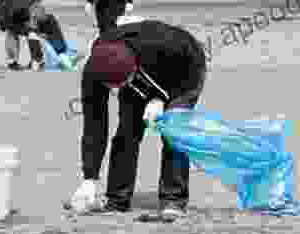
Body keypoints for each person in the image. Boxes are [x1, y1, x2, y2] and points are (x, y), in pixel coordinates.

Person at [70, 19, 207, 222]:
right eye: (115, 87)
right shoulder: (94, 72)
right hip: (140, 73)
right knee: (127, 131)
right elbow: (94, 124)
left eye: (124, 82)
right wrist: (89, 178)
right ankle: (117, 199)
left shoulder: (165, 44)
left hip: (184, 69)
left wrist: (161, 98)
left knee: (173, 131)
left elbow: (186, 73)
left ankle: (173, 200)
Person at [0, 0, 73, 71]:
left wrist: (62, 53)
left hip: (24, 10)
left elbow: (52, 31)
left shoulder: (45, 16)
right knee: (14, 32)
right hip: (3, 10)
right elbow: (32, 32)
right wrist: (37, 59)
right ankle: (13, 62)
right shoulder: (32, 15)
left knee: (47, 26)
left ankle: (62, 56)